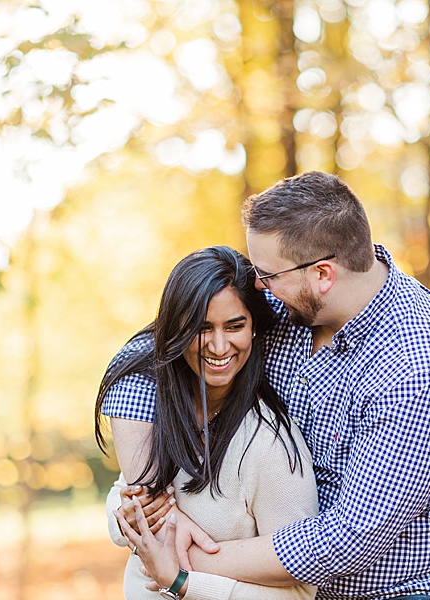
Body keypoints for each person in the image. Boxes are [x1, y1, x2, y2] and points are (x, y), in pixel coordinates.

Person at [108, 171, 430, 600]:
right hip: (274, 578)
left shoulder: (421, 369)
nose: (256, 284)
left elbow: (345, 543)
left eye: (266, 273)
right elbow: (149, 355)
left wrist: (181, 559)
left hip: (401, 588)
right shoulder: (288, 301)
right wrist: (148, 488)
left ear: (323, 274)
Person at [94, 246, 318, 600]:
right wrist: (133, 518)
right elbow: (124, 498)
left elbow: (300, 592)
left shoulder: (271, 446)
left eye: (234, 326)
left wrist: (182, 580)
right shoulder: (162, 414)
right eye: (201, 328)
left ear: (254, 327)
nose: (218, 345)